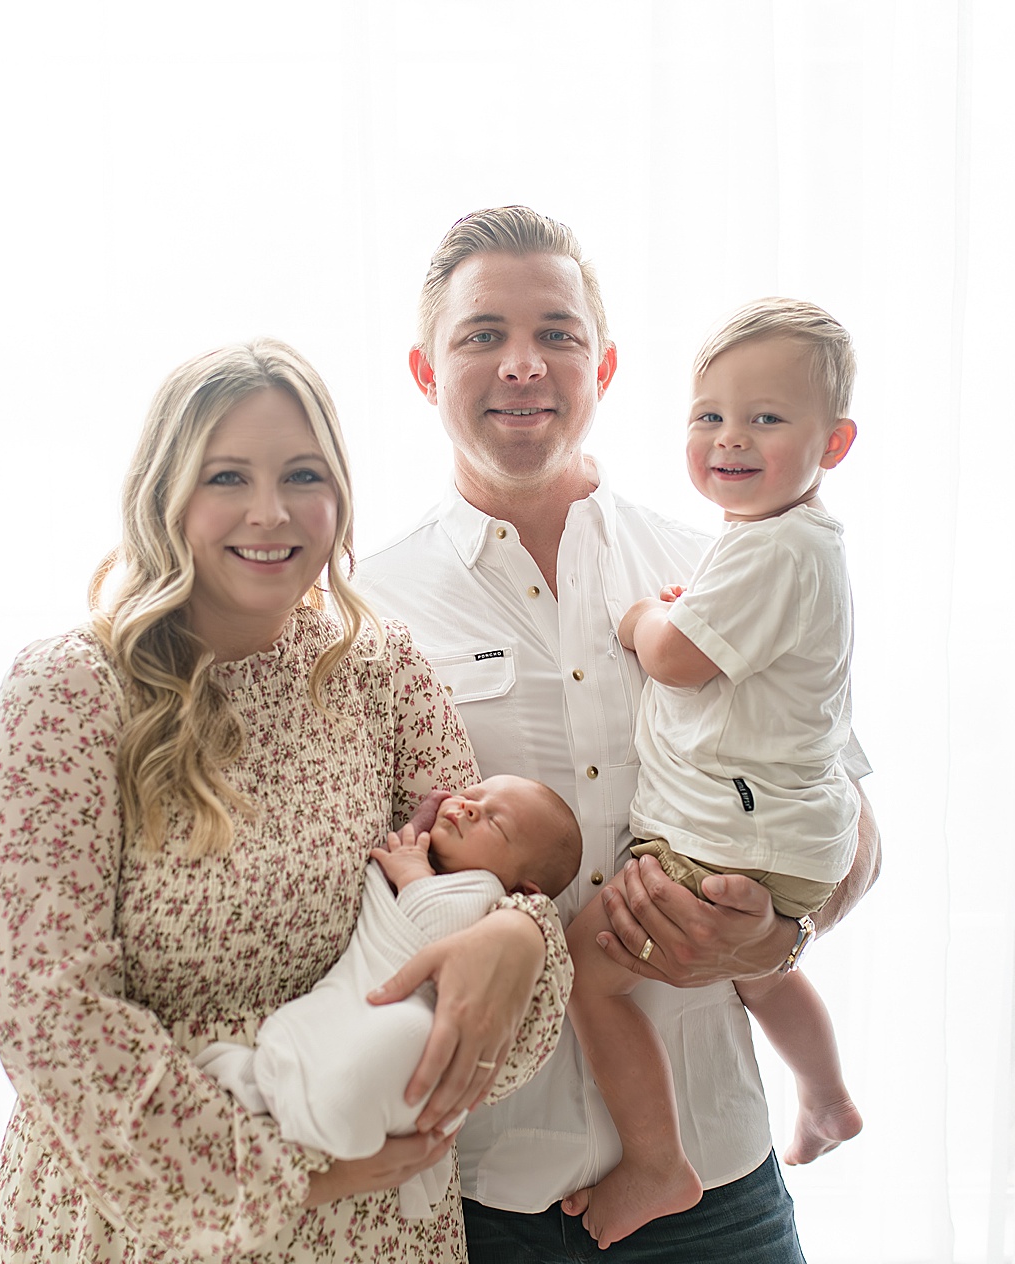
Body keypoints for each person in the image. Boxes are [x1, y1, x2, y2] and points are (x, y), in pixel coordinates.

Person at [0, 339, 575, 1263]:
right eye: (226, 477)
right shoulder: (71, 694)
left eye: (301, 474)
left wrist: (520, 939)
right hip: (147, 1226)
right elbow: (50, 1019)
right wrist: (295, 1177)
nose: (270, 511)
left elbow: (495, 886)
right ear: (163, 492)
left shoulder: (378, 670)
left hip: (375, 1232)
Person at [358, 208, 883, 1264]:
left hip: (719, 1180)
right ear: (424, 370)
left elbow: (850, 826)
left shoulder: (720, 565)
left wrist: (776, 935)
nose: (522, 364)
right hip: (478, 1189)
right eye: (480, 336)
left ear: (601, 363)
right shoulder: (368, 611)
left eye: (555, 332)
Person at [562, 299, 866, 1248]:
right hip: (774, 840)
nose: (731, 439)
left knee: (583, 971)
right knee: (759, 978)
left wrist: (640, 621)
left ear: (836, 441)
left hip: (730, 843)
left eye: (766, 418)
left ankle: (657, 1160)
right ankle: (824, 1096)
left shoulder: (759, 549)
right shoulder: (776, 543)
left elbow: (678, 658)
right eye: (709, 416)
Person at [196, 775, 583, 1221]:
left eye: (496, 823)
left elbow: (436, 928)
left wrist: (412, 873)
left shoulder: (482, 895)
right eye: (472, 795)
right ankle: (296, 1096)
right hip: (361, 1010)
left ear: (525, 889)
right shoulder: (437, 868)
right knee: (372, 1047)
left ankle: (317, 1109)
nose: (468, 807)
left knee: (411, 1037)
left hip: (411, 1041)